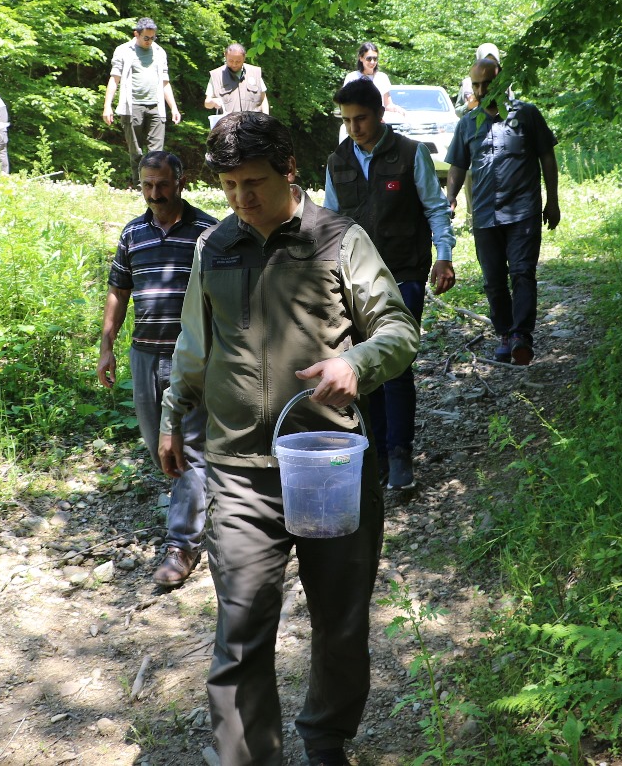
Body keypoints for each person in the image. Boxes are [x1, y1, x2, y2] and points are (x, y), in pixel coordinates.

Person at [160, 112, 419, 766]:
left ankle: (327, 741)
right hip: (240, 471)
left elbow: (398, 329)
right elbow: (194, 345)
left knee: (340, 622)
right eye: (228, 185)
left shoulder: (339, 239)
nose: (240, 198)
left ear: (289, 171)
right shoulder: (214, 246)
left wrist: (355, 363)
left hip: (330, 466)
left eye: (253, 182)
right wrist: (172, 414)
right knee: (241, 625)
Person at [324, 77, 455, 491]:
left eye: (361, 118)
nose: (354, 128)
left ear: (380, 114)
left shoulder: (411, 153)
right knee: (363, 368)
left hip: (404, 273)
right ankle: (376, 452)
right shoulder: (337, 161)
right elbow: (330, 223)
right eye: (347, 120)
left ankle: (400, 453)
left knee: (395, 365)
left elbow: (435, 208)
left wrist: (444, 255)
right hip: (355, 282)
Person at [97, 152, 219, 586]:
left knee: (190, 447)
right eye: (147, 185)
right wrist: (106, 346)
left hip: (194, 357)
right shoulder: (133, 233)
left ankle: (181, 545)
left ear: (180, 181)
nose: (155, 193)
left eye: (162, 184)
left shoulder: (208, 232)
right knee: (160, 447)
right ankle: (204, 505)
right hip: (145, 355)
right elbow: (119, 290)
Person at [444, 56, 560, 365]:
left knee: (522, 272)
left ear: (503, 82)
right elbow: (458, 165)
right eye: (476, 85)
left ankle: (522, 335)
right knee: (493, 280)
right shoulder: (467, 123)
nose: (481, 91)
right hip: (485, 214)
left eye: (488, 84)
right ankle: (505, 334)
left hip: (523, 211)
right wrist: (451, 197)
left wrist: (552, 200)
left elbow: (547, 157)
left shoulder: (527, 115)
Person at [102, 18, 182, 181]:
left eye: (153, 38)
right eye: (146, 38)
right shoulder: (123, 50)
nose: (149, 41)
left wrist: (173, 108)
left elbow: (165, 83)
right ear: (136, 34)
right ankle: (140, 184)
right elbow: (114, 79)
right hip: (132, 106)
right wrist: (107, 106)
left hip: (156, 107)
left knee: (157, 154)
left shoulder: (159, 52)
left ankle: (155, 184)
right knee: (136, 152)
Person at [204, 42, 269, 123]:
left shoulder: (255, 73)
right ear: (225, 55)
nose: (234, 64)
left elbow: (263, 99)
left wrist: (266, 120)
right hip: (229, 127)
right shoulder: (216, 76)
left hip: (254, 125)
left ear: (244, 58)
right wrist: (213, 102)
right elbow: (207, 103)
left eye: (238, 61)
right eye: (231, 61)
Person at [341, 41, 394, 109]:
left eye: (375, 59)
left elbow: (388, 105)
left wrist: (397, 109)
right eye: (369, 59)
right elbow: (345, 104)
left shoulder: (382, 77)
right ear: (361, 58)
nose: (372, 62)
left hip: (378, 115)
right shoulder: (352, 77)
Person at [458, 41, 501, 112]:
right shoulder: (467, 83)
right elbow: (457, 111)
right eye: (485, 60)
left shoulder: (504, 82)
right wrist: (468, 106)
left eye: (493, 61)